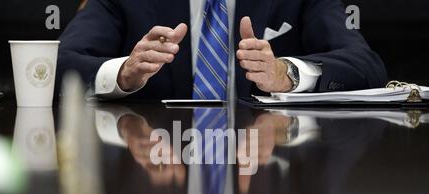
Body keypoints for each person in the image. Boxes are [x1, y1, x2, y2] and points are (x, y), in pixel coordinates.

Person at [57, 0, 387, 100]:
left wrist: (285, 74)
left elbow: (365, 65)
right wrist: (122, 74)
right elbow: (54, 65)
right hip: (155, 155)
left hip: (269, 159)